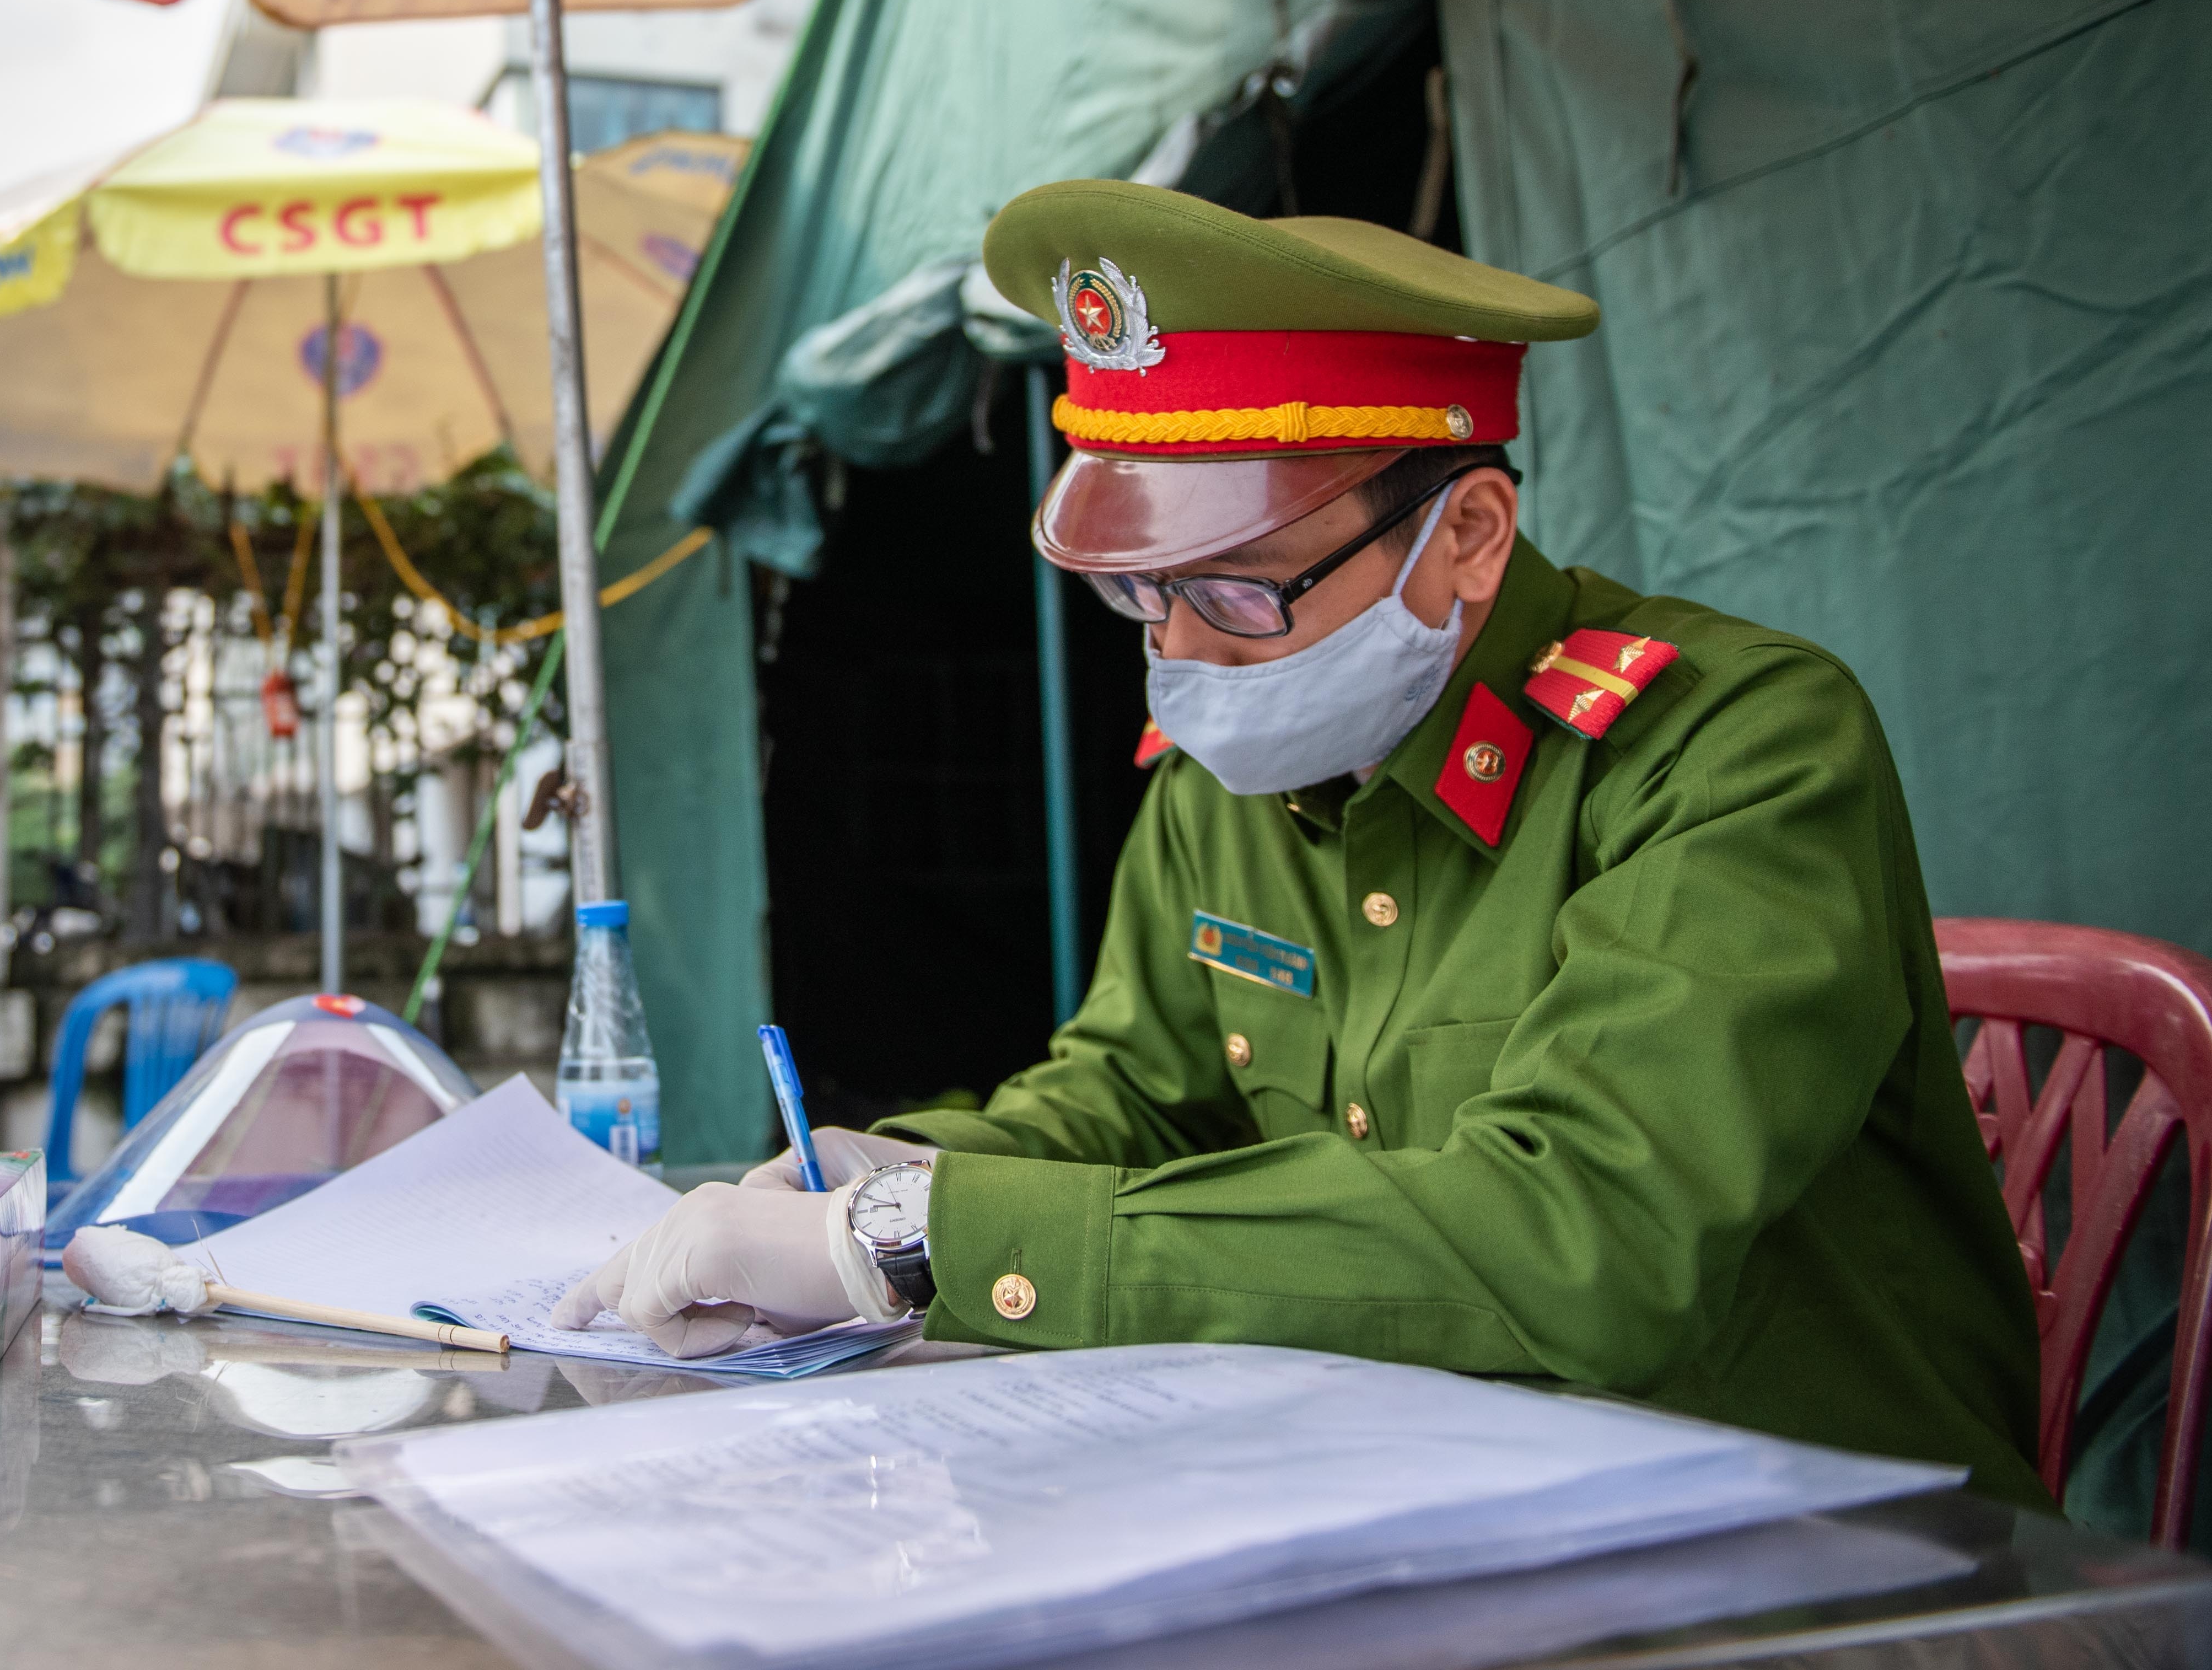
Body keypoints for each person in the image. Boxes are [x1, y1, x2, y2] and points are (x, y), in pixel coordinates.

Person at [559, 179, 2046, 1506]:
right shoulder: (1234, 767)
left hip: (1817, 1544)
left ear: (1467, 533)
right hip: (1407, 1497)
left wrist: (926, 1236)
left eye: (1244, 592)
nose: (1188, 654)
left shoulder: (1737, 749)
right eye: (1140, 596)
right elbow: (1137, 1092)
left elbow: (1583, 1238)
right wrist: (890, 1177)